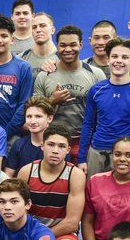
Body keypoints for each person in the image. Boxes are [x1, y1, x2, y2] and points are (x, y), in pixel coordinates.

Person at [16, 123, 86, 240]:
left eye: (61, 146)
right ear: (42, 145)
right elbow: (17, 209)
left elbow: (72, 222)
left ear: (68, 149)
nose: (56, 150)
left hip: (60, 231)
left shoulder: (75, 175)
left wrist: (42, 237)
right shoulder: (26, 171)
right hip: (29, 229)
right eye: (51, 145)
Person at [77, 38, 130, 177]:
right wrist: (82, 159)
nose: (119, 60)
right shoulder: (96, 90)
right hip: (96, 152)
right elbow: (87, 124)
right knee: (92, 195)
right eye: (114, 56)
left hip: (124, 155)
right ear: (108, 60)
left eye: (125, 57)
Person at [33, 25, 106, 162]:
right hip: (52, 140)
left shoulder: (96, 75)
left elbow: (104, 111)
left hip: (84, 141)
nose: (68, 49)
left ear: (81, 45)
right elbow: (33, 114)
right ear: (57, 46)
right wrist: (51, 101)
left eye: (73, 45)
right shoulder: (44, 75)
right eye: (63, 45)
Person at [3, 97, 53, 177]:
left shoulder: (58, 145)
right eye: (29, 116)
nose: (32, 121)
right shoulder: (19, 144)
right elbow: (7, 176)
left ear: (49, 118)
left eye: (38, 116)